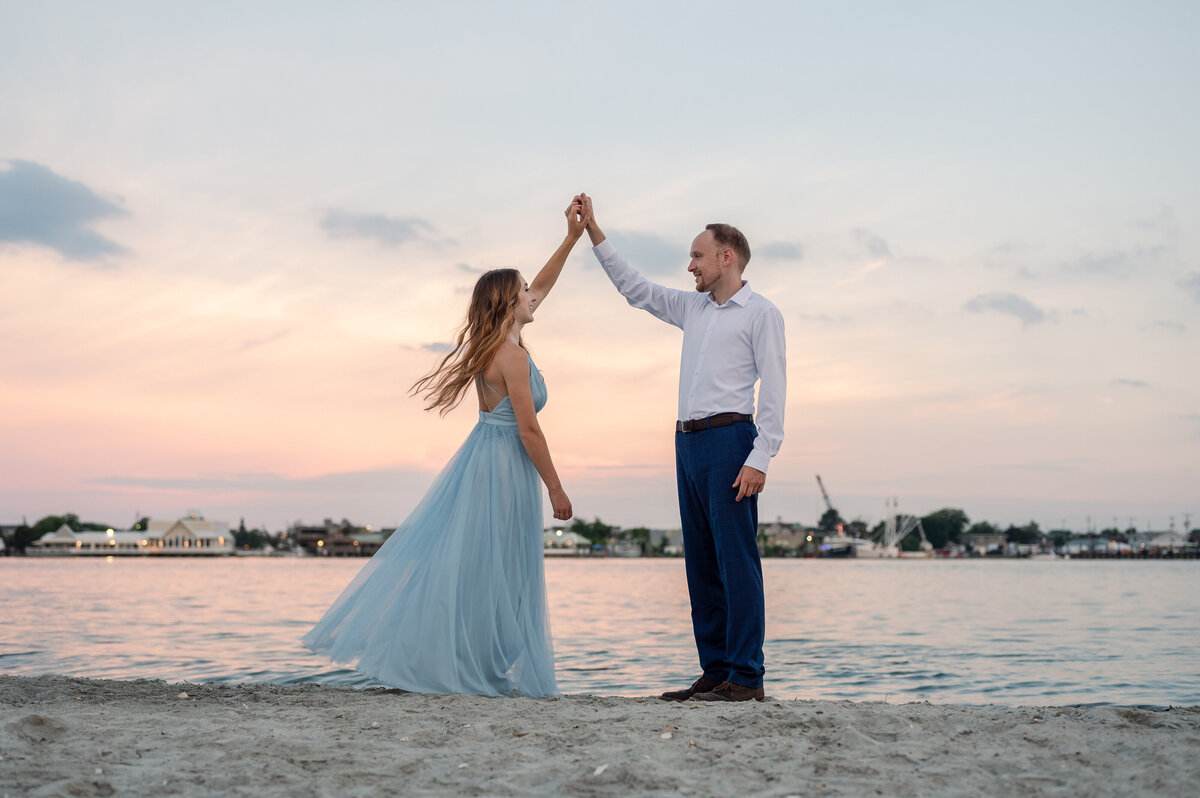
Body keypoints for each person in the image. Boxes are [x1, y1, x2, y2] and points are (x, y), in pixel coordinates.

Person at [301, 200, 588, 697]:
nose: (532, 296)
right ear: (508, 303)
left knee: (488, 568)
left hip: (491, 460)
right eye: (523, 292)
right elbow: (529, 431)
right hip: (502, 465)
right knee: (494, 569)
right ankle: (467, 666)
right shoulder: (512, 356)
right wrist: (557, 489)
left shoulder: (499, 340)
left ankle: (477, 662)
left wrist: (570, 239)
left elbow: (542, 285)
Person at [577, 193, 786, 702]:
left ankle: (746, 678)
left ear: (726, 257)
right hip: (687, 443)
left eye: (697, 255)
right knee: (700, 564)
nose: (690, 265)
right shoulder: (692, 307)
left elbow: (775, 391)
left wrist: (760, 456)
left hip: (732, 441)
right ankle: (715, 670)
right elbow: (636, 289)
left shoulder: (762, 314)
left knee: (737, 563)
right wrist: (593, 232)